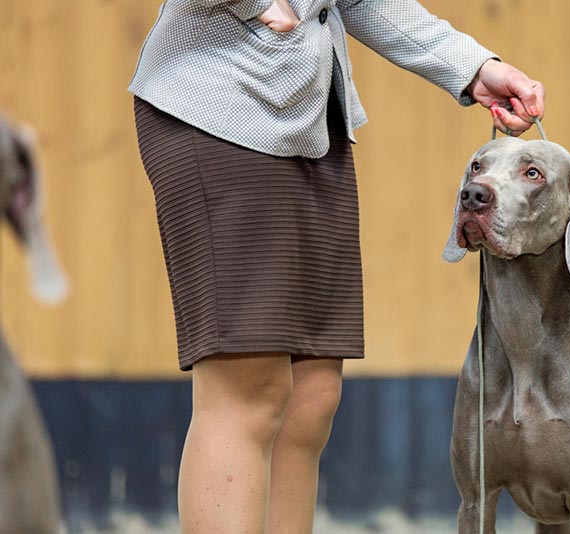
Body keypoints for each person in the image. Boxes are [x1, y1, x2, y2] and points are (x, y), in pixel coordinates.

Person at [129, 0, 544, 532]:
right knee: (247, 388)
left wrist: (474, 67)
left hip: (310, 117)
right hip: (220, 107)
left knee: (311, 397)